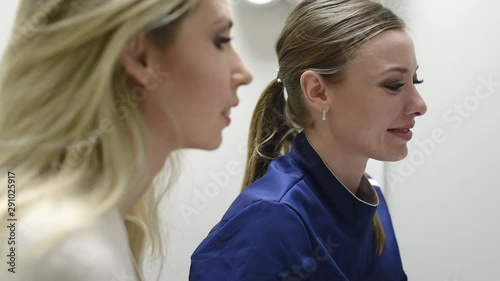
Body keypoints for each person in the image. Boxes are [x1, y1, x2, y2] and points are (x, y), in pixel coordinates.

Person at [0, 0, 252, 280]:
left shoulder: (83, 233)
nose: (244, 74)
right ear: (142, 58)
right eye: (221, 40)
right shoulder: (69, 253)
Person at [189, 0, 427, 280]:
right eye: (394, 85)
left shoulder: (373, 207)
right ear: (317, 91)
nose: (420, 105)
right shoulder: (269, 221)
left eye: (416, 80)